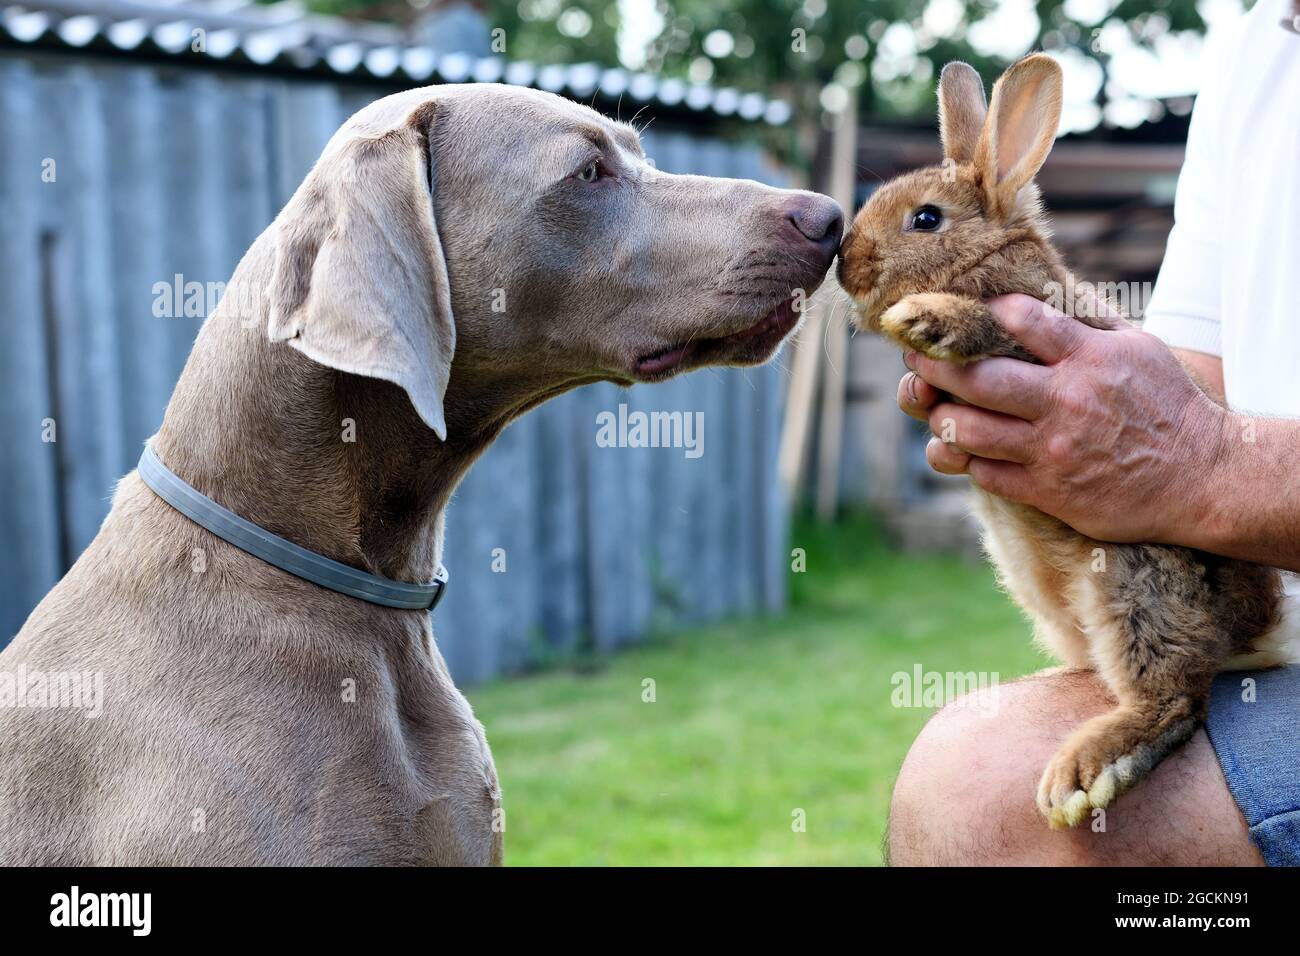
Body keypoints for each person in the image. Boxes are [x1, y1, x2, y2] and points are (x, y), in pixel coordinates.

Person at [887, 0, 1300, 865]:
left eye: (923, 225)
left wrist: (1207, 463)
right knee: (970, 760)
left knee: (990, 804)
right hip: (1262, 629)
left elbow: (1195, 441)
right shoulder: (1257, 44)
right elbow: (1188, 381)